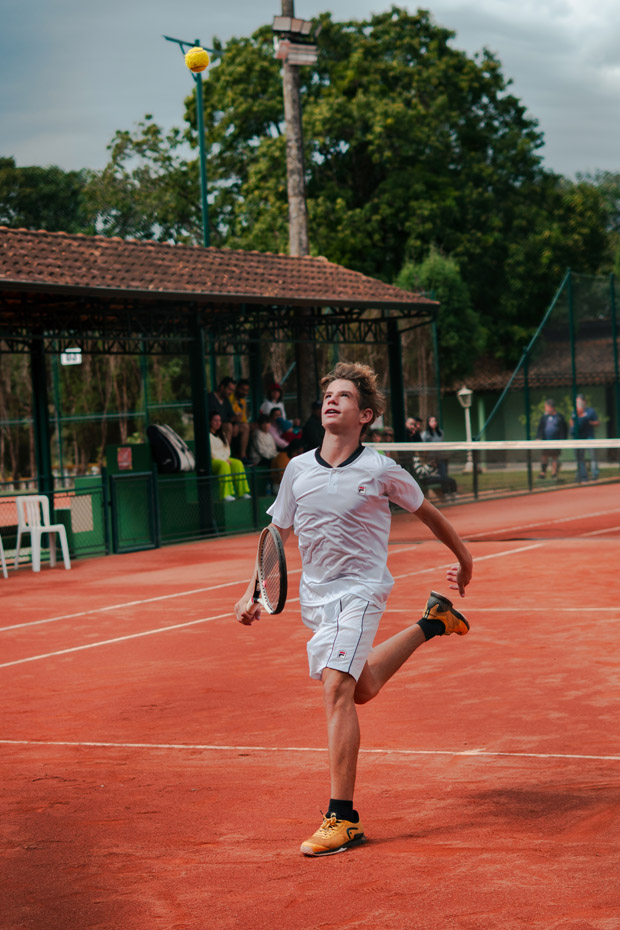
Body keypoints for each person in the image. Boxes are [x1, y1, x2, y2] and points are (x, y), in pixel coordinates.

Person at [234, 361, 473, 857]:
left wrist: (464, 558)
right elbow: (275, 534)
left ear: (364, 415)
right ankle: (433, 621)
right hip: (316, 599)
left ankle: (342, 817)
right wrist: (252, 590)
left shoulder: (381, 469)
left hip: (362, 591)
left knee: (336, 688)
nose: (331, 400)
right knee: (361, 687)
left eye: (343, 396)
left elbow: (428, 513)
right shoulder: (298, 469)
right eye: (328, 395)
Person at [209, 412, 251, 501]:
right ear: (210, 422)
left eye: (219, 421)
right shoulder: (207, 436)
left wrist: (225, 458)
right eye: (215, 420)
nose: (218, 423)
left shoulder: (222, 434)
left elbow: (227, 449)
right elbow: (211, 452)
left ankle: (243, 492)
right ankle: (226, 494)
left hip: (224, 459)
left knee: (238, 463)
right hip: (212, 461)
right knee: (224, 465)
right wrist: (223, 460)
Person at [535, 398, 567, 479]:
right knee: (544, 456)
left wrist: (563, 439)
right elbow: (540, 428)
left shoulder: (559, 417)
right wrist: (538, 437)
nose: (545, 409)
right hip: (546, 441)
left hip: (556, 441)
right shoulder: (544, 417)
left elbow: (564, 429)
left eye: (546, 407)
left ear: (551, 407)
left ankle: (554, 473)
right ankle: (543, 473)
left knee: (555, 456)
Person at [571, 394, 600, 481]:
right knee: (580, 457)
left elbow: (597, 423)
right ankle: (582, 475)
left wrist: (588, 422)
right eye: (577, 402)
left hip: (589, 437)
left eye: (579, 401)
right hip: (579, 438)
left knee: (593, 456)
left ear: (584, 402)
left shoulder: (591, 411)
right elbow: (571, 421)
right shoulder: (574, 411)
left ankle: (594, 474)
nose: (578, 403)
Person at [208, 377, 236, 445]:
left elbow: (232, 415)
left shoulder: (226, 400)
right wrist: (229, 419)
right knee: (228, 426)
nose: (231, 392)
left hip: (224, 423)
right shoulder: (210, 398)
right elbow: (213, 417)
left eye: (232, 390)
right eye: (229, 389)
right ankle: (225, 449)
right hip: (214, 425)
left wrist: (236, 423)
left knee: (245, 427)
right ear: (222, 387)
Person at [421, 415, 449, 480]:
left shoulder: (441, 433)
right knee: (433, 476)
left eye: (435, 421)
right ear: (428, 423)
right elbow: (423, 447)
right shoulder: (425, 434)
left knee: (443, 475)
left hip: (440, 457)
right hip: (430, 459)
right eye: (432, 421)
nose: (434, 423)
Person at [230, 378, 251, 461]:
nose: (244, 392)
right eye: (242, 389)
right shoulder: (230, 398)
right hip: (229, 424)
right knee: (245, 427)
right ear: (237, 388)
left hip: (238, 424)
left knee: (253, 426)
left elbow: (243, 419)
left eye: (246, 390)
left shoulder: (242, 401)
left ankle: (247, 456)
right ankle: (241, 456)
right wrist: (236, 424)